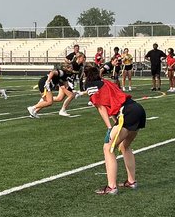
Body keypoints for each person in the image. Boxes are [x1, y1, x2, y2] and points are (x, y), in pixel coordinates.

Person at [83, 61, 147, 195]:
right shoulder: (106, 82)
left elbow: (100, 107)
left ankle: (111, 187)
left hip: (126, 112)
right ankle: (131, 181)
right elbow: (112, 105)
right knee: (124, 146)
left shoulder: (90, 85)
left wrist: (108, 127)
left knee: (108, 148)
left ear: (85, 74)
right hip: (136, 108)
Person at [60, 45, 85, 116]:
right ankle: (62, 110)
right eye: (83, 58)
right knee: (71, 95)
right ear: (79, 58)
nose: (83, 59)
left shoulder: (80, 65)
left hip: (70, 81)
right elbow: (66, 71)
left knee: (59, 98)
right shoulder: (73, 64)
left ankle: (44, 100)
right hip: (65, 81)